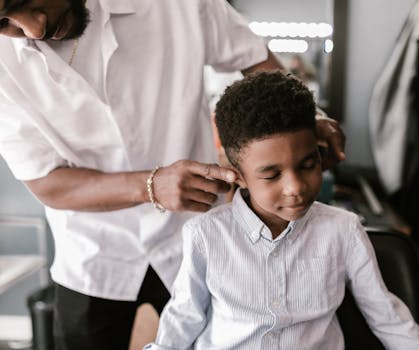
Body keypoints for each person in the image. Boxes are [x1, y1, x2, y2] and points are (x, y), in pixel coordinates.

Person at [0, 0, 346, 349]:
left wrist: (308, 118)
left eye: (26, 1)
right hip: (92, 253)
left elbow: (254, 58)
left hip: (199, 243)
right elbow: (47, 182)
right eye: (4, 22)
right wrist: (151, 186)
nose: (34, 28)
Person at [146, 71, 419, 350]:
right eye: (272, 175)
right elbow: (184, 318)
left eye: (308, 165)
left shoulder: (343, 230)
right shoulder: (205, 234)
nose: (295, 187)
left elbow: (386, 316)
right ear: (238, 175)